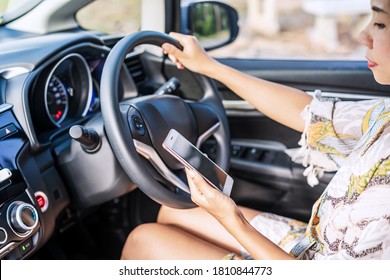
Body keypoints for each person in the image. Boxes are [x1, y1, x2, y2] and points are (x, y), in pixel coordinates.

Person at [121, 0, 390, 260]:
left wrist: (231, 219)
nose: (362, 35)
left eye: (379, 23)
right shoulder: (385, 114)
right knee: (174, 213)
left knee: (142, 242)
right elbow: (315, 117)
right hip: (314, 245)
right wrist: (209, 66)